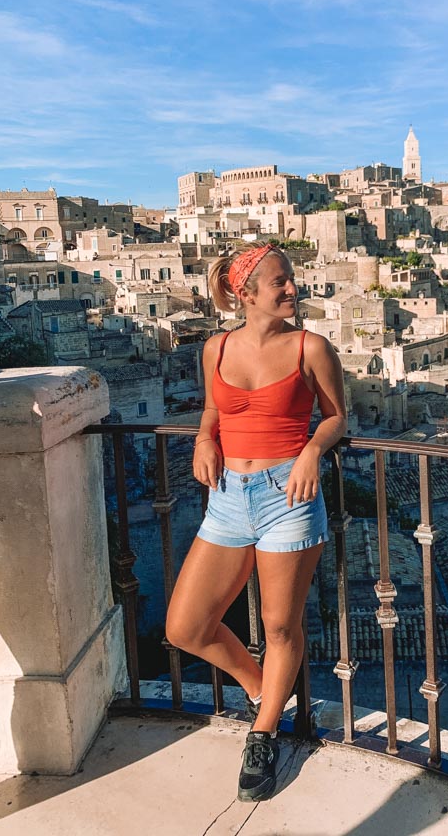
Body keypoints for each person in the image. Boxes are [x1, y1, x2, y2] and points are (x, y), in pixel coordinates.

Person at [165, 242, 347, 802]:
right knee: (185, 626)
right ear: (246, 294)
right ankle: (263, 688)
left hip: (286, 494)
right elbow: (216, 409)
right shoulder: (214, 349)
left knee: (280, 628)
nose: (293, 289)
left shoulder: (311, 348)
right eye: (280, 283)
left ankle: (263, 733)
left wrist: (314, 450)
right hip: (227, 497)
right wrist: (202, 438)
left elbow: (337, 415)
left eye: (292, 279)